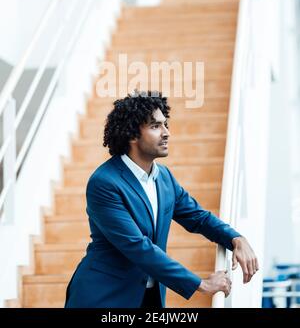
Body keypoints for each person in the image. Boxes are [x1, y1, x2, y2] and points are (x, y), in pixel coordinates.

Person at [65, 91, 259, 308]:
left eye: (165, 125)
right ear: (132, 134)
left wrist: (235, 239)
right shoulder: (105, 183)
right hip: (104, 296)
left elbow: (198, 217)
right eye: (155, 126)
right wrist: (200, 284)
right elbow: (138, 247)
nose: (166, 133)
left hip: (149, 297)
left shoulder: (163, 177)